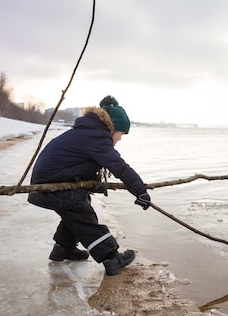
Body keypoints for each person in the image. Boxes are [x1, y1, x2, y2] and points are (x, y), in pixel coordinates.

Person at [28, 95, 151, 276]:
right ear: (113, 129)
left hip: (51, 183)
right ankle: (111, 259)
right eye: (121, 134)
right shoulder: (96, 137)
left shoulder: (88, 133)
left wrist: (93, 185)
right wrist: (140, 191)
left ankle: (64, 248)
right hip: (52, 187)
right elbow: (120, 167)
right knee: (84, 217)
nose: (120, 139)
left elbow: (76, 164)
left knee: (75, 212)